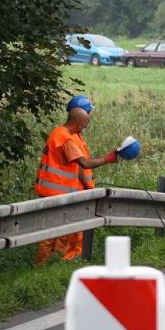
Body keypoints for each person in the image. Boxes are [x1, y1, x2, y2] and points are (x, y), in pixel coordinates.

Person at [34, 95, 121, 265]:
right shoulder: (65, 138)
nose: (85, 127)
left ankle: (54, 264)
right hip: (55, 194)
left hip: (60, 194)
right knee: (51, 235)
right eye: (85, 123)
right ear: (79, 122)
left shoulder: (63, 133)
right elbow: (84, 163)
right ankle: (39, 267)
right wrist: (107, 159)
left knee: (61, 232)